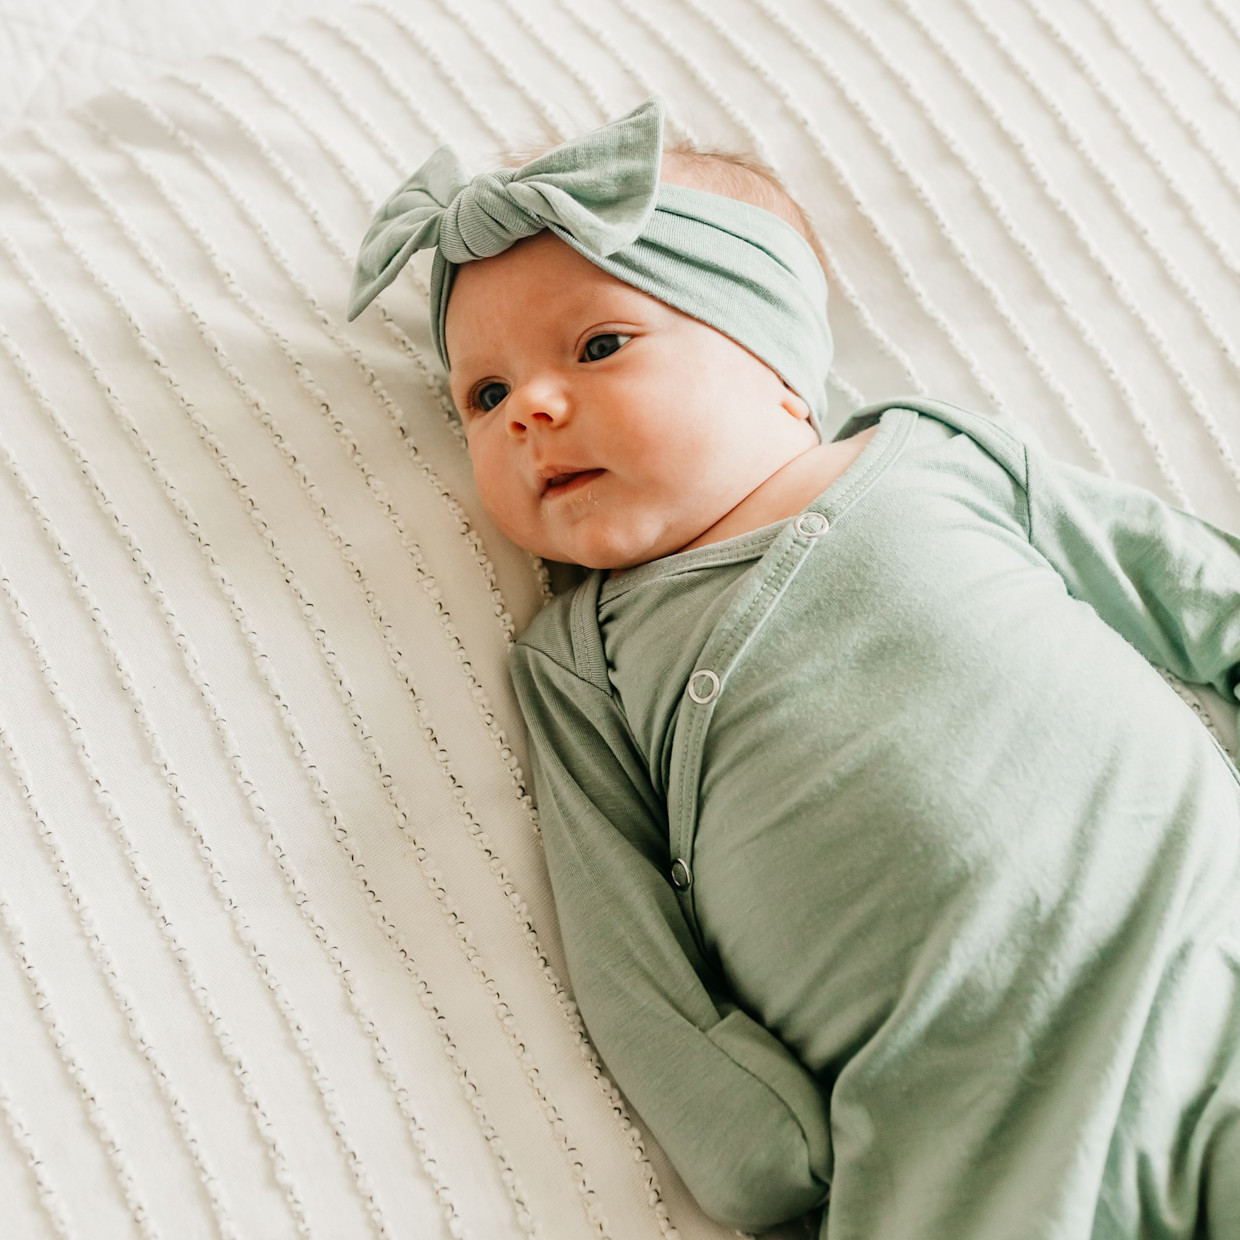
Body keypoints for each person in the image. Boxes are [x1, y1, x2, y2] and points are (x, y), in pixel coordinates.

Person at [346, 95, 1240, 1238]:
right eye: (484, 394)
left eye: (598, 346)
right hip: (956, 1105)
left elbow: (1195, 586)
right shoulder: (581, 660)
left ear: (774, 362)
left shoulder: (934, 458)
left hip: (1200, 949)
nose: (531, 408)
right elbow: (622, 944)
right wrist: (747, 1139)